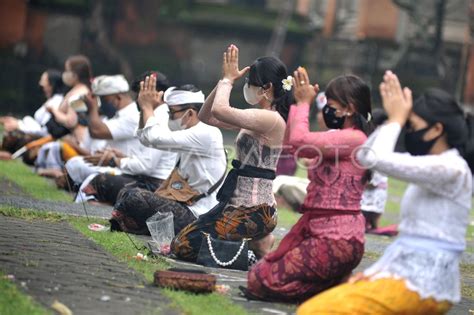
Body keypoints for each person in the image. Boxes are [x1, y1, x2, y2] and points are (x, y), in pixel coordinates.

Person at [297, 71, 473, 315]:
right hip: (400, 274)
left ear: (436, 130)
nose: (407, 131)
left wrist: (396, 121)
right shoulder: (434, 165)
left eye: (412, 126)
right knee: (313, 307)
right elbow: (363, 154)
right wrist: (390, 119)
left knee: (317, 312)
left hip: (425, 285)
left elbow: (373, 158)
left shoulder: (452, 169)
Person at [246, 67, 372, 302]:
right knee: (258, 274)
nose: (326, 110)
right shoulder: (337, 138)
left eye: (331, 104)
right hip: (316, 232)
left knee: (262, 281)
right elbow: (290, 144)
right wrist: (293, 102)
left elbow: (301, 141)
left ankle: (337, 290)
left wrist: (304, 104)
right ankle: (335, 285)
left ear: (350, 108)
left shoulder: (355, 139)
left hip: (337, 240)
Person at [172, 44, 291, 263]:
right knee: (181, 243)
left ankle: (257, 248)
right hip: (235, 204)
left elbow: (220, 110)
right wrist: (222, 82)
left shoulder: (271, 119)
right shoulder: (258, 117)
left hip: (256, 210)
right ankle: (258, 243)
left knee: (186, 247)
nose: (246, 86)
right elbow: (208, 116)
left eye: (249, 82)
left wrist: (228, 80)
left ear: (266, 87)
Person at [111, 77, 227, 235]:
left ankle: (141, 228)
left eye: (172, 113)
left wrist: (148, 107)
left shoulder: (206, 132)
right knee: (126, 192)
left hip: (198, 215)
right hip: (182, 204)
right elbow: (146, 139)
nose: (169, 118)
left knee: (134, 197)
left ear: (190, 113)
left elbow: (154, 138)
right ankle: (143, 228)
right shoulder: (187, 132)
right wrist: (144, 109)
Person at [82, 71, 177, 204]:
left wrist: (113, 161)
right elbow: (144, 159)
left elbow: (145, 166)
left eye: (141, 93)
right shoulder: (152, 115)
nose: (138, 98)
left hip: (155, 185)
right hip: (145, 179)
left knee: (100, 180)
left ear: (156, 93)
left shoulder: (161, 119)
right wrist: (121, 156)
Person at [65, 74, 143, 191]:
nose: (100, 103)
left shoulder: (131, 117)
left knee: (75, 164)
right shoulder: (119, 115)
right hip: (111, 165)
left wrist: (92, 109)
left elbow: (96, 132)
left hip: (124, 170)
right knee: (74, 162)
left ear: (118, 97)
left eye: (103, 99)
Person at [0, 70, 67, 135]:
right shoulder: (51, 100)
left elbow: (45, 130)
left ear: (51, 84)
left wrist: (18, 125)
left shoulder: (56, 102)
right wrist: (18, 122)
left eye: (43, 80)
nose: (40, 83)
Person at [360, 108, 389, 231]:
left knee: (366, 213)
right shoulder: (382, 138)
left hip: (371, 180)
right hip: (372, 180)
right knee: (371, 217)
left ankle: (371, 225)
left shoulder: (367, 136)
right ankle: (373, 225)